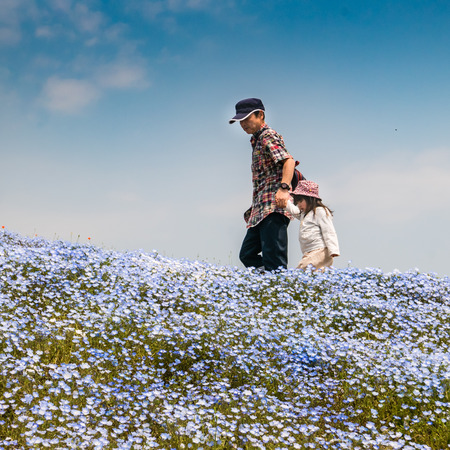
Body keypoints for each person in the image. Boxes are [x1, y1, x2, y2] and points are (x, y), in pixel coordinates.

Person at [229, 97, 295, 271]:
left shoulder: (267, 136)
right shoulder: (256, 140)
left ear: (260, 115)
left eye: (246, 119)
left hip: (273, 205)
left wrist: (284, 189)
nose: (243, 124)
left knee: (274, 257)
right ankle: (268, 286)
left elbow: (289, 161)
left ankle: (280, 290)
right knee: (247, 254)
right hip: (260, 209)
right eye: (240, 121)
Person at [285, 180, 340, 270]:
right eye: (297, 202)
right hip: (308, 253)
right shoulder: (304, 214)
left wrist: (333, 250)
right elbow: (294, 211)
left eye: (300, 201)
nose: (298, 205)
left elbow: (328, 231)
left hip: (320, 250)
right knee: (316, 274)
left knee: (300, 271)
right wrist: (285, 203)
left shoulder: (320, 211)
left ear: (310, 198)